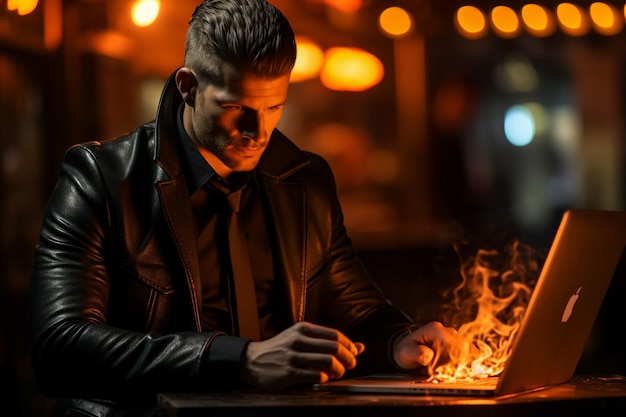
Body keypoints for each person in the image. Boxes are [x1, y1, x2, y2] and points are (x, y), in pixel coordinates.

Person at [28, 1, 467, 416]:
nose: (257, 132)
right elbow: (60, 348)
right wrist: (239, 359)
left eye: (274, 106)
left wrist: (399, 340)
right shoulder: (101, 177)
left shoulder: (306, 180)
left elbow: (354, 304)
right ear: (188, 86)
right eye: (235, 107)